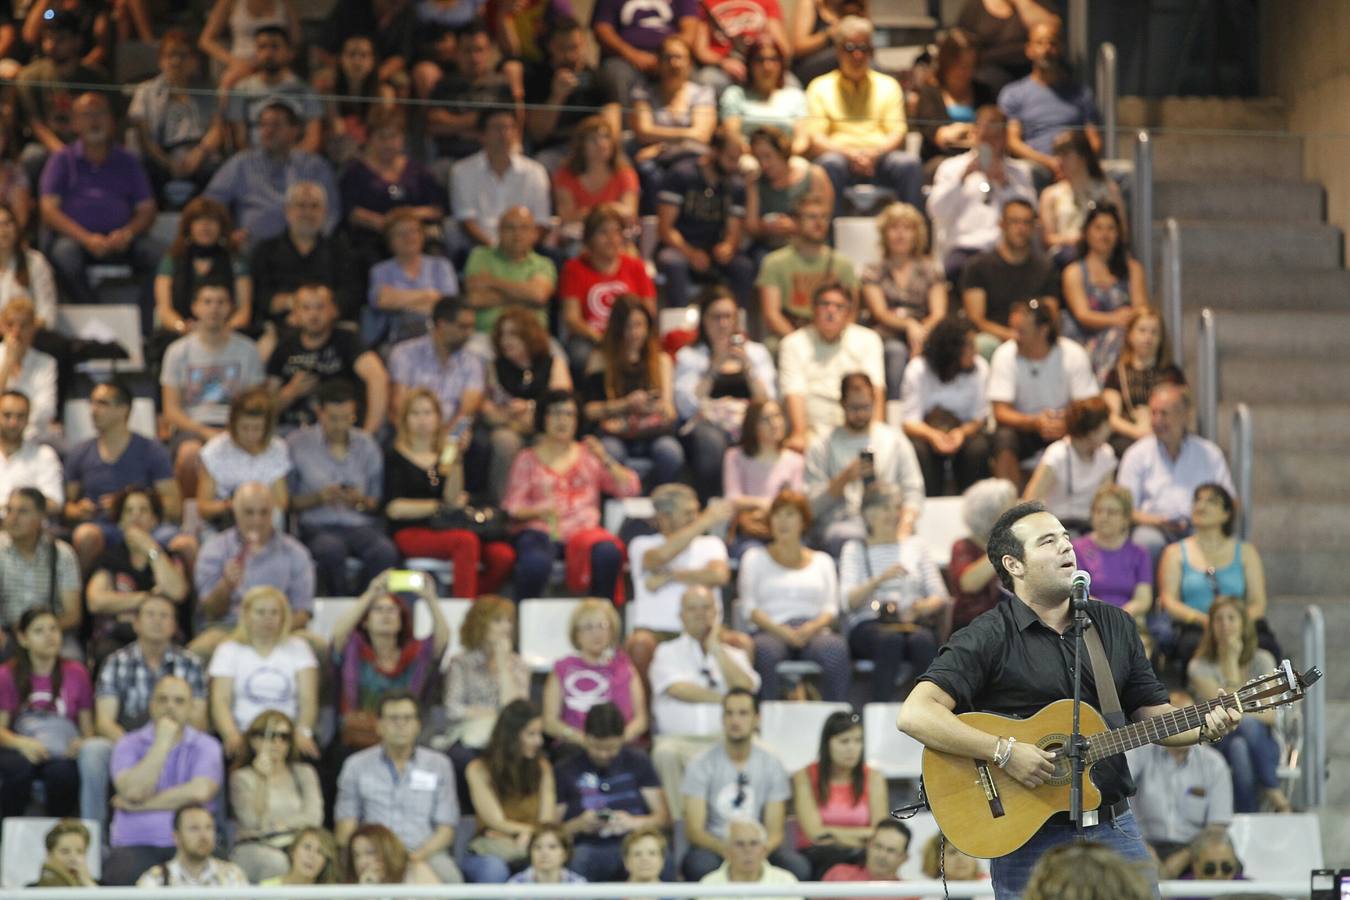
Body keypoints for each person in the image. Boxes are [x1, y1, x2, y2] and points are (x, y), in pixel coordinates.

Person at [897, 499, 1245, 899]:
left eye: (1065, 537)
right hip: (1025, 834)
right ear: (1014, 565)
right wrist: (1004, 751)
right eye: (1048, 541)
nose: (1066, 546)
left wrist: (1205, 727)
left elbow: (1156, 717)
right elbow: (915, 714)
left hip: (1113, 827)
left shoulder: (1114, 624)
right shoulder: (988, 635)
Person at [502, 390, 640, 602]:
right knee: (535, 562)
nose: (562, 420)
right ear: (543, 418)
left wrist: (604, 458)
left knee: (608, 553)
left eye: (569, 414)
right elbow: (512, 507)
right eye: (555, 413)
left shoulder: (590, 456)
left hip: (583, 531)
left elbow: (630, 488)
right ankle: (525, 622)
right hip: (540, 530)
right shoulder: (527, 458)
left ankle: (602, 619)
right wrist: (537, 511)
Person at [89, 595, 207, 832]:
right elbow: (104, 721)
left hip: (178, 740)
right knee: (93, 751)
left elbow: (198, 720)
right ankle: (95, 832)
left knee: (210, 751)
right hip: (127, 739)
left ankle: (213, 833)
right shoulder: (116, 662)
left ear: (175, 625)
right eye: (150, 615)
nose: (157, 621)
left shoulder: (190, 663)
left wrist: (167, 745)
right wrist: (135, 748)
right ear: (136, 623)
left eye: (164, 616)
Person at [382, 387, 514, 598]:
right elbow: (394, 508)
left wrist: (457, 458)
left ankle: (473, 604)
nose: (422, 420)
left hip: (448, 526)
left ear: (438, 418)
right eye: (415, 413)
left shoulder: (444, 455)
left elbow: (452, 498)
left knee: (502, 556)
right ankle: (461, 609)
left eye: (428, 413)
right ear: (404, 419)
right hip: (411, 530)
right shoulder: (394, 456)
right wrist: (436, 506)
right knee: (466, 542)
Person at [38, 92, 159, 310]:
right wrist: (86, 239)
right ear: (75, 123)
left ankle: (145, 325)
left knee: (159, 255)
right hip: (77, 239)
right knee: (64, 255)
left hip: (122, 239)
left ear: (112, 121)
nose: (94, 121)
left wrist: (127, 233)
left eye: (100, 114)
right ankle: (96, 318)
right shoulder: (62, 160)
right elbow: (49, 210)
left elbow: (147, 209)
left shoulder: (128, 161)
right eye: (86, 115)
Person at [649, 586, 760, 818]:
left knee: (759, 748)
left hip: (725, 740)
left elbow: (746, 689)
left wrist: (716, 650)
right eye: (693, 608)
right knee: (664, 753)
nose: (700, 614)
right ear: (681, 616)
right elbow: (678, 689)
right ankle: (683, 826)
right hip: (679, 742)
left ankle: (742, 826)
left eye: (706, 608)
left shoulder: (734, 655)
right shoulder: (666, 652)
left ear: (717, 613)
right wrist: (727, 700)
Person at [105, 676, 224, 886]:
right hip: (134, 843)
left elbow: (199, 793)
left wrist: (138, 806)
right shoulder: (128, 743)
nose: (170, 706)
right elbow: (133, 791)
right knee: (120, 873)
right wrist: (162, 743)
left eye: (179, 701)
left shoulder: (207, 745)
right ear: (151, 705)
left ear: (191, 708)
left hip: (193, 844)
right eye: (163, 699)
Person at [335, 690, 464, 883]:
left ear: (418, 725)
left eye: (407, 718)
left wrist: (414, 858)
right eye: (393, 718)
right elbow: (345, 829)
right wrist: (368, 856)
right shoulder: (356, 765)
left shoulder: (439, 764)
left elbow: (446, 829)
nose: (400, 725)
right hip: (373, 853)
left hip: (426, 852)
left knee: (452, 878)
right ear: (378, 725)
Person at [682, 688, 809, 880]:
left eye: (743, 713)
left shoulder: (772, 764)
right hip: (717, 846)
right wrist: (729, 849)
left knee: (798, 867)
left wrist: (755, 850)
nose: (735, 721)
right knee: (698, 865)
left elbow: (775, 832)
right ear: (722, 719)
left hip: (759, 846)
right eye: (729, 713)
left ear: (756, 719)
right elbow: (694, 831)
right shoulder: (700, 763)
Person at [839, 484, 951, 702]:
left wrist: (921, 608)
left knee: (924, 641)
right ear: (867, 514)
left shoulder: (916, 546)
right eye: (884, 508)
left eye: (896, 508)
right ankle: (879, 713)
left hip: (910, 623)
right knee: (890, 642)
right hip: (868, 624)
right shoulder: (855, 549)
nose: (893, 514)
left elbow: (940, 595)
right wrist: (879, 580)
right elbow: (847, 601)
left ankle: (934, 712)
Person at [287, 380, 398, 596]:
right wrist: (319, 497)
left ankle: (366, 605)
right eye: (333, 418)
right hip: (315, 525)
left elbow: (375, 502)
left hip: (358, 525)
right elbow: (286, 502)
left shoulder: (367, 445)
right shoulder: (297, 444)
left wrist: (357, 500)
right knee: (330, 550)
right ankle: (338, 605)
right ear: (320, 413)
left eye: (347, 418)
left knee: (385, 551)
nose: (340, 425)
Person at [737, 490, 848, 701]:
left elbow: (831, 608)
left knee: (836, 650)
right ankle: (765, 719)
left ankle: (838, 719)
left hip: (813, 630)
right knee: (764, 652)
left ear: (803, 521)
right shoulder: (754, 558)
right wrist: (781, 631)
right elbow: (749, 607)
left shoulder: (822, 561)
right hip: (771, 629)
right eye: (777, 515)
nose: (782, 521)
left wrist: (811, 628)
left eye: (790, 515)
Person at [804, 17, 922, 213]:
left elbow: (898, 132)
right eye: (850, 48)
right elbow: (816, 139)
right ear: (839, 50)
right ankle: (828, 240)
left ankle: (915, 240)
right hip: (841, 158)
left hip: (880, 158)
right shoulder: (820, 86)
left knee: (909, 164)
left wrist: (872, 154)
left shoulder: (888, 85)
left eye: (864, 48)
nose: (857, 55)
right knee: (829, 164)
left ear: (872, 51)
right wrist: (851, 154)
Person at [159, 282, 264, 498]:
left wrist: (234, 431)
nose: (214, 309)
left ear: (231, 308)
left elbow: (255, 404)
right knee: (189, 454)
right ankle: (192, 515)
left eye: (221, 302)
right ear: (195, 307)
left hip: (238, 426)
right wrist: (205, 432)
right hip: (192, 427)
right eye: (207, 302)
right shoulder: (177, 352)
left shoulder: (248, 350)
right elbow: (171, 410)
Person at [65, 381, 183, 570]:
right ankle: (79, 596)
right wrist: (78, 510)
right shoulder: (80, 452)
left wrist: (126, 504)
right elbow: (67, 506)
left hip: (146, 526)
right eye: (92, 403)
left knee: (185, 544)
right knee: (85, 535)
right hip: (101, 526)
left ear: (123, 409)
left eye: (102, 404)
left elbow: (175, 507)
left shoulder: (151, 450)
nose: (94, 410)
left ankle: (184, 597)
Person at [804, 372, 924, 555]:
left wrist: (905, 527)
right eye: (854, 408)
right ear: (842, 404)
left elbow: (913, 491)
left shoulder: (895, 440)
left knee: (913, 546)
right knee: (848, 537)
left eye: (866, 407)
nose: (860, 414)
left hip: (890, 522)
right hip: (841, 526)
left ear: (874, 402)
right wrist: (843, 479)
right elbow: (810, 508)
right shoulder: (821, 446)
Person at [675, 286, 778, 500]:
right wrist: (713, 366)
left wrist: (748, 368)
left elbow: (768, 402)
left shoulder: (756, 353)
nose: (723, 324)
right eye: (716, 317)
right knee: (710, 441)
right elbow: (686, 408)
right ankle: (712, 505)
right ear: (703, 319)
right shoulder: (690, 356)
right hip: (708, 426)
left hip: (747, 423)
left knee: (765, 430)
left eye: (728, 317)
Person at [1187, 596, 1288, 814]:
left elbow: (1270, 716)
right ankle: (1274, 792)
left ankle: (1245, 818)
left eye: (1231, 618)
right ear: (1211, 626)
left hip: (1264, 743)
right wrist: (1230, 662)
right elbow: (1228, 714)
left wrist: (1232, 663)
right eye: (1218, 620)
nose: (1225, 625)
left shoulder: (1262, 659)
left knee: (1241, 743)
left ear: (1244, 624)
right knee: (1240, 735)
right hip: (1217, 741)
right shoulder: (1198, 666)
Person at [192, 482, 316, 654]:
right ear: (235, 512)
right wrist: (226, 585)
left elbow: (303, 611)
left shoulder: (295, 552)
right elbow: (209, 611)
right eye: (249, 512)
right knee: (201, 650)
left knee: (317, 646)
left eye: (264, 512)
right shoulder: (215, 549)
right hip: (229, 627)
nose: (257, 520)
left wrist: (275, 630)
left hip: (282, 628)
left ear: (273, 512)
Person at [988, 298, 1100, 487]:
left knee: (1092, 431)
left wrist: (1067, 422)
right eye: (1013, 329)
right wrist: (1034, 421)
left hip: (1066, 426)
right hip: (1025, 428)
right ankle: (1010, 507)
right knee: (1003, 437)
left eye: (1020, 331)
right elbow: (1000, 411)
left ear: (1043, 330)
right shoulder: (1004, 354)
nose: (1012, 335)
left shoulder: (1073, 354)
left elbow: (1088, 405)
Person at [1116, 384, 1234, 563]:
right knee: (1146, 543)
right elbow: (1125, 507)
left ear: (1184, 416)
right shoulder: (1136, 454)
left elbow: (1230, 501)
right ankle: (1149, 592)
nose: (1157, 420)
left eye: (1164, 413)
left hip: (1199, 525)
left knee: (1210, 538)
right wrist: (1157, 521)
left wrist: (1204, 517)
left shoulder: (1209, 453)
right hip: (1153, 527)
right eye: (1153, 413)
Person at [331, 572, 449, 751]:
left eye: (392, 610)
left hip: (406, 737)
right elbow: (338, 635)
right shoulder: (354, 652)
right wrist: (370, 593)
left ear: (401, 620)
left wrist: (430, 598)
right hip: (358, 736)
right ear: (365, 621)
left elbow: (441, 641)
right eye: (378, 610)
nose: (385, 615)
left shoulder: (414, 656)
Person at [555, 702, 671, 881]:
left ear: (622, 739)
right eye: (596, 747)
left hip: (635, 844)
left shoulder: (638, 761)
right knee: (578, 860)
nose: (602, 754)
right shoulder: (565, 769)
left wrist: (633, 822)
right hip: (589, 847)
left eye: (610, 748)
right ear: (585, 737)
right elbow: (551, 830)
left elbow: (663, 818)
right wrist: (578, 824)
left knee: (661, 859)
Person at [1159, 482, 1273, 664]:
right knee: (1192, 647)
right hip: (1197, 627)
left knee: (1265, 646)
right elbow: (1169, 601)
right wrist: (1206, 621)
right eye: (1197, 500)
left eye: (1211, 501)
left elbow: (1258, 602)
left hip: (1241, 624)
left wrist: (1233, 624)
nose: (1200, 506)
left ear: (1226, 513)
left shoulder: (1246, 552)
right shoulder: (1175, 552)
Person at [627, 486, 732, 676]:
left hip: (706, 630)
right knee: (639, 644)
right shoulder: (642, 544)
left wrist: (670, 576)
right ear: (664, 517)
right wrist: (706, 520)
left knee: (741, 644)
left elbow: (718, 576)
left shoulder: (711, 544)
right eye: (688, 513)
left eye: (697, 512)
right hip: (656, 632)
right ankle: (642, 706)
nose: (696, 518)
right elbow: (657, 559)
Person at [0, 607, 94, 819]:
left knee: (62, 773)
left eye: (54, 629)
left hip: (62, 749)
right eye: (39, 631)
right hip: (21, 746)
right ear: (23, 639)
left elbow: (88, 728)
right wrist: (23, 744)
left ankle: (59, 832)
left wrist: (81, 743)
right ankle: (7, 835)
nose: (49, 636)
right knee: (18, 769)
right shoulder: (6, 674)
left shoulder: (77, 672)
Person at [204, 103, 339, 250]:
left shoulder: (314, 166)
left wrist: (316, 243)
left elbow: (331, 211)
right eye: (263, 125)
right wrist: (226, 234)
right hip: (252, 250)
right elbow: (210, 204)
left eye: (276, 125)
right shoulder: (241, 164)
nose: (268, 131)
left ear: (294, 130)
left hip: (304, 255)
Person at [581, 295, 683, 489]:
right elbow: (588, 410)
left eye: (640, 326)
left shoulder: (660, 361)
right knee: (611, 452)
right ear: (617, 328)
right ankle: (619, 504)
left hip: (653, 432)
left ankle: (658, 503)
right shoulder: (600, 359)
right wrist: (626, 404)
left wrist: (657, 407)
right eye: (628, 326)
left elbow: (670, 411)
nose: (635, 333)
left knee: (670, 452)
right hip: (615, 433)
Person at [1125, 688, 1233, 871]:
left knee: (1218, 864)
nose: (1185, 726)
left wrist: (1184, 857)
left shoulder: (1214, 763)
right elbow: (1120, 800)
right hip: (1143, 844)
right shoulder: (1140, 753)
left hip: (1195, 851)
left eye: (1190, 719)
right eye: (1178, 721)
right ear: (1163, 724)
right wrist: (1144, 848)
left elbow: (1217, 826)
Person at [208, 586, 319, 761]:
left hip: (287, 735)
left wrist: (303, 732)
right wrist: (231, 734)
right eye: (260, 612)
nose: (268, 618)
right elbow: (220, 701)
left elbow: (308, 699)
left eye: (274, 612)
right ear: (246, 615)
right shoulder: (228, 650)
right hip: (245, 733)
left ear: (283, 617)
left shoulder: (299, 648)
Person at [84, 489, 190, 663]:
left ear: (155, 520)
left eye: (143, 510)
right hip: (118, 635)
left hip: (162, 635)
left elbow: (177, 592)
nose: (136, 516)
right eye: (129, 511)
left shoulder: (169, 558)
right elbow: (96, 601)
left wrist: (150, 549)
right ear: (120, 521)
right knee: (106, 651)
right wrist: (147, 598)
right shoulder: (109, 558)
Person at [338, 105, 444, 278]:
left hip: (415, 237)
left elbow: (436, 208)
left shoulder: (419, 171)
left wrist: (408, 216)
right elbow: (350, 211)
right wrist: (386, 224)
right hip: (372, 237)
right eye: (382, 137)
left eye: (394, 136)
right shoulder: (354, 172)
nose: (388, 144)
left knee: (435, 251)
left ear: (402, 139)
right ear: (370, 138)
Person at [655, 127, 754, 310]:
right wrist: (690, 253)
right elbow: (665, 229)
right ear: (714, 152)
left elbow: (734, 230)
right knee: (673, 262)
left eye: (738, 159)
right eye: (731, 158)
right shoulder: (682, 175)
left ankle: (738, 325)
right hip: (680, 246)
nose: (735, 165)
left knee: (743, 267)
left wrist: (728, 246)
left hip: (712, 251)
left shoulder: (735, 185)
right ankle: (678, 329)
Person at [269, 284, 389, 434]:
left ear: (334, 310)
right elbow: (265, 406)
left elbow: (377, 377)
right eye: (306, 308)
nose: (313, 314)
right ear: (295, 314)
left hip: (340, 431)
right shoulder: (284, 346)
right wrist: (290, 392)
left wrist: (368, 434)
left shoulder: (347, 340)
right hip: (291, 431)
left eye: (320, 307)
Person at [779, 283, 885, 451]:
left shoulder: (869, 340)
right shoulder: (793, 344)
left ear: (849, 313)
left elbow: (876, 390)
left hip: (858, 429)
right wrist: (799, 433)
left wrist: (876, 434)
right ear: (814, 310)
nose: (831, 311)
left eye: (839, 306)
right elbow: (794, 393)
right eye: (824, 304)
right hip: (813, 433)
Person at [480, 309, 571, 503]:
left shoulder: (552, 363)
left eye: (513, 334)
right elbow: (485, 407)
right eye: (502, 334)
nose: (506, 341)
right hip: (509, 427)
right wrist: (506, 415)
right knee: (504, 442)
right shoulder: (495, 367)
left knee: (546, 443)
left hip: (544, 428)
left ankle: (546, 505)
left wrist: (530, 407)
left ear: (528, 336)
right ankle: (504, 506)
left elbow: (563, 400)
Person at [462, 699, 557, 883]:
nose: (539, 741)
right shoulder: (478, 769)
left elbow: (546, 821)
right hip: (489, 847)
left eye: (540, 734)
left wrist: (529, 836)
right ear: (511, 736)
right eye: (531, 734)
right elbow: (496, 821)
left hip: (533, 844)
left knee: (549, 861)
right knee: (493, 870)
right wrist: (526, 832)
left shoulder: (543, 768)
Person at [861, 203, 947, 400]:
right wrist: (909, 325)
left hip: (926, 330)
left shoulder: (931, 269)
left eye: (907, 228)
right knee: (896, 351)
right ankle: (895, 409)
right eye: (894, 228)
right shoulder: (873, 271)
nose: (900, 234)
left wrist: (920, 332)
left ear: (917, 234)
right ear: (884, 234)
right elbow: (879, 312)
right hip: (887, 331)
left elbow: (938, 313)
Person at [998, 21, 1100, 187]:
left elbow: (1094, 140)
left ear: (1060, 49)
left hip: (1077, 165)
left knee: (1123, 174)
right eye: (1040, 43)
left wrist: (1075, 165)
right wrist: (1049, 163)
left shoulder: (1081, 93)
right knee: (1023, 172)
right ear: (1029, 50)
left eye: (1052, 43)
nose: (1046, 49)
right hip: (1035, 165)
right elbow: (1012, 141)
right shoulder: (1013, 93)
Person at [13, 12, 108, 186]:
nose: (51, 45)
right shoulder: (29, 77)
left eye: (60, 39)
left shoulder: (96, 78)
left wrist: (84, 151)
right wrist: (64, 153)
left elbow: (110, 121)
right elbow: (36, 124)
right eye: (48, 38)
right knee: (32, 156)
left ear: (77, 41)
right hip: (49, 146)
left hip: (88, 144)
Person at [900, 316, 992, 496]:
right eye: (971, 346)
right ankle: (927, 505)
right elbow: (909, 422)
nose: (976, 350)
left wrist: (961, 433)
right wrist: (933, 436)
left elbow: (979, 418)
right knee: (919, 450)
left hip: (964, 433)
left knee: (978, 448)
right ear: (952, 349)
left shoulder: (980, 368)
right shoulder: (918, 369)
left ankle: (971, 506)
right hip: (927, 433)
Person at [227, 710, 323, 881]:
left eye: (284, 737)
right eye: (270, 735)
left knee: (317, 856)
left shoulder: (304, 773)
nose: (278, 742)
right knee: (277, 862)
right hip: (256, 848)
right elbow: (252, 821)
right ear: (254, 740)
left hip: (297, 845)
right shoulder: (241, 777)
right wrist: (262, 779)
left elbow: (314, 818)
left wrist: (278, 826)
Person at [129, 32, 224, 203]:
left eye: (183, 55)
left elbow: (217, 129)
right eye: (170, 55)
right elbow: (145, 139)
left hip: (200, 153)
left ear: (194, 61)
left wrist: (198, 154)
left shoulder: (209, 89)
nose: (176, 61)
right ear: (160, 60)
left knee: (216, 172)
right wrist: (167, 162)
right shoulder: (145, 92)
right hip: (161, 154)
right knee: (145, 172)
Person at [955, 193, 1053, 359]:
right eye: (1014, 222)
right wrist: (1011, 336)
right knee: (982, 344)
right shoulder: (978, 266)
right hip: (993, 339)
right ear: (1001, 224)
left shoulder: (1045, 267)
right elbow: (976, 319)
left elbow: (1050, 313)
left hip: (1034, 338)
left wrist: (1028, 337)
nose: (1020, 228)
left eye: (1026, 222)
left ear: (1033, 228)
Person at [559, 206, 656, 373]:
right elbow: (571, 318)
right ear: (589, 238)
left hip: (632, 335)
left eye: (617, 232)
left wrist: (631, 336)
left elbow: (648, 311)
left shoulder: (636, 266)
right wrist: (601, 339)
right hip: (592, 339)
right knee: (580, 355)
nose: (612, 239)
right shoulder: (573, 268)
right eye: (603, 233)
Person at [791, 711, 888, 878]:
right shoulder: (804, 776)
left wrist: (831, 832)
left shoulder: (874, 777)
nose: (852, 748)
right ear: (827, 744)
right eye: (844, 741)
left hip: (861, 853)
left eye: (858, 741)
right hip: (817, 856)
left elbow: (880, 833)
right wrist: (863, 834)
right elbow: (815, 834)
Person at [248, 182, 351, 332]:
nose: (308, 213)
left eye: (315, 206)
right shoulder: (265, 251)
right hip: (278, 327)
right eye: (301, 206)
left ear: (325, 212)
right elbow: (261, 297)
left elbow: (348, 295)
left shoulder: (340, 251)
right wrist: (295, 307)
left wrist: (314, 315)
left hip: (330, 327)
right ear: (287, 211)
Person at [440, 595, 529, 770]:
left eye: (509, 621)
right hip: (470, 734)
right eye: (497, 621)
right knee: (462, 758)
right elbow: (453, 709)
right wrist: (495, 713)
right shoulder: (461, 663)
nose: (506, 627)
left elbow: (517, 711)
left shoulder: (518, 664)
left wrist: (504, 666)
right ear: (480, 625)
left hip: (507, 737)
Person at [542, 599, 648, 745]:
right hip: (575, 747)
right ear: (576, 634)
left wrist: (616, 742)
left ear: (612, 631)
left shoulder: (626, 668)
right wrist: (584, 740)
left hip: (620, 746)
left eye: (602, 626)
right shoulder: (562, 669)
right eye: (588, 627)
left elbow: (641, 720)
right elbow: (549, 722)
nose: (596, 633)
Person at [1061, 204, 1148, 380]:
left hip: (1124, 337)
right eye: (1098, 228)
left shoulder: (1132, 268)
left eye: (1111, 228)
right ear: (1087, 232)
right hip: (1084, 337)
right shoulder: (1074, 272)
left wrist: (1126, 320)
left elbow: (1141, 309)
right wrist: (1116, 319)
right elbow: (1083, 314)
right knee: (1117, 335)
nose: (1105, 235)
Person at [525, 21, 622, 172]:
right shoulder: (538, 78)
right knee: (540, 166)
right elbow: (537, 133)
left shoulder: (601, 77)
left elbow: (612, 128)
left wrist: (590, 147)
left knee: (624, 167)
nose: (570, 55)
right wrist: (556, 97)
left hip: (593, 148)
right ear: (551, 47)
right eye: (562, 49)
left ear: (584, 45)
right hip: (554, 149)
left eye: (575, 47)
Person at [757, 195, 858, 339]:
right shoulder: (774, 262)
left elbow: (851, 313)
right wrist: (799, 344)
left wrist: (832, 339)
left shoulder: (843, 264)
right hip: (791, 331)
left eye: (824, 217)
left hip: (834, 333)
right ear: (796, 222)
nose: (819, 223)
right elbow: (772, 315)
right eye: (811, 217)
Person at [152, 197, 251, 343]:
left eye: (212, 221)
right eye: (198, 221)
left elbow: (244, 310)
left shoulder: (234, 260)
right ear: (188, 227)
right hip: (180, 334)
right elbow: (164, 309)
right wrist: (184, 329)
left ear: (221, 227)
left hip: (227, 335)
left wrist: (222, 331)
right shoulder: (172, 259)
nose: (205, 226)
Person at [451, 109, 551, 251]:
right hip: (480, 249)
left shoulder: (535, 171)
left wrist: (519, 250)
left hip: (524, 251)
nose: (504, 134)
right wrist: (496, 252)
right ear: (482, 135)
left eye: (509, 128)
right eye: (497, 128)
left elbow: (541, 222)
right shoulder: (462, 171)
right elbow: (466, 221)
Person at [631, 35, 716, 200]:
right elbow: (643, 132)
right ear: (659, 63)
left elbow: (701, 135)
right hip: (653, 160)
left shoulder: (702, 93)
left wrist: (661, 147)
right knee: (647, 170)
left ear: (690, 63)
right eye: (668, 57)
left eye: (679, 57)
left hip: (687, 156)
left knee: (687, 171)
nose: (674, 63)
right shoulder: (643, 92)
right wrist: (686, 133)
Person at [387, 297, 485, 437]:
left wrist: (449, 438)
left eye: (471, 327)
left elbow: (466, 413)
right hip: (410, 433)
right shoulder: (404, 353)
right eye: (463, 327)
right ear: (442, 325)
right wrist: (416, 442)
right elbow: (398, 407)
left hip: (451, 436)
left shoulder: (473, 362)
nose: (469, 333)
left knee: (478, 441)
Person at [424, 23, 518, 165]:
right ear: (457, 53)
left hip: (492, 157)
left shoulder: (501, 85)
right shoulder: (444, 85)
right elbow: (434, 126)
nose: (474, 57)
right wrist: (481, 122)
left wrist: (454, 124)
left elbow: (509, 127)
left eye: (479, 50)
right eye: (467, 51)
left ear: (489, 52)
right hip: (452, 158)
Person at [197, 387, 290, 528]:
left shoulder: (277, 448)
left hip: (265, 522)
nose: (250, 435)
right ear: (233, 424)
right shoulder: (215, 450)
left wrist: (256, 507)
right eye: (244, 428)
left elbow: (282, 502)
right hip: (224, 521)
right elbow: (204, 507)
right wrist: (232, 505)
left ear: (267, 428)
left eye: (257, 428)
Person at [365, 208, 459, 347]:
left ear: (422, 235)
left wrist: (399, 300)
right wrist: (428, 295)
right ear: (389, 241)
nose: (408, 237)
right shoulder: (380, 270)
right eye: (400, 233)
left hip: (438, 338)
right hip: (395, 339)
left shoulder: (441, 265)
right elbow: (382, 300)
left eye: (413, 231)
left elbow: (448, 306)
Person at [722, 399, 805, 556]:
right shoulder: (735, 457)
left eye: (777, 416)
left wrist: (763, 509)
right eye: (765, 419)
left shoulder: (795, 460)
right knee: (750, 553)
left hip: (783, 529)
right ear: (752, 425)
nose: (774, 424)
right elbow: (732, 498)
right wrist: (767, 505)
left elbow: (795, 501)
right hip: (749, 529)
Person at [1023, 396, 1116, 532]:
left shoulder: (1106, 454)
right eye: (1106, 424)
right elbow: (1030, 500)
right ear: (1092, 431)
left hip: (1091, 528)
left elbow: (1105, 500)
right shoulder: (1057, 454)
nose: (1111, 429)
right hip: (1057, 527)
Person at [0, 488, 80, 643]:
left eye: (22, 512)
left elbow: (73, 614)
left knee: (73, 658)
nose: (12, 518)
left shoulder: (62, 554)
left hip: (50, 634)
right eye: (9, 510)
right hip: (6, 634)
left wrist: (38, 633)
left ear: (41, 516)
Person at [1102, 307, 1184, 457]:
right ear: (1130, 335)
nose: (1148, 337)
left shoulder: (1172, 374)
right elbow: (1111, 417)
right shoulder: (1116, 374)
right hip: (1129, 437)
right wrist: (1139, 433)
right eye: (1142, 330)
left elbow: (1183, 410)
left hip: (1166, 434)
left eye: (1154, 332)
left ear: (1161, 339)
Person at [223, 27, 321, 153]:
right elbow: (240, 141)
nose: (268, 53)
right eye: (262, 47)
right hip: (253, 163)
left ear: (289, 53)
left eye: (275, 47)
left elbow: (313, 140)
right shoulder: (241, 90)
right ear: (256, 53)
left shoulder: (305, 90)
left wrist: (288, 161)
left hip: (296, 164)